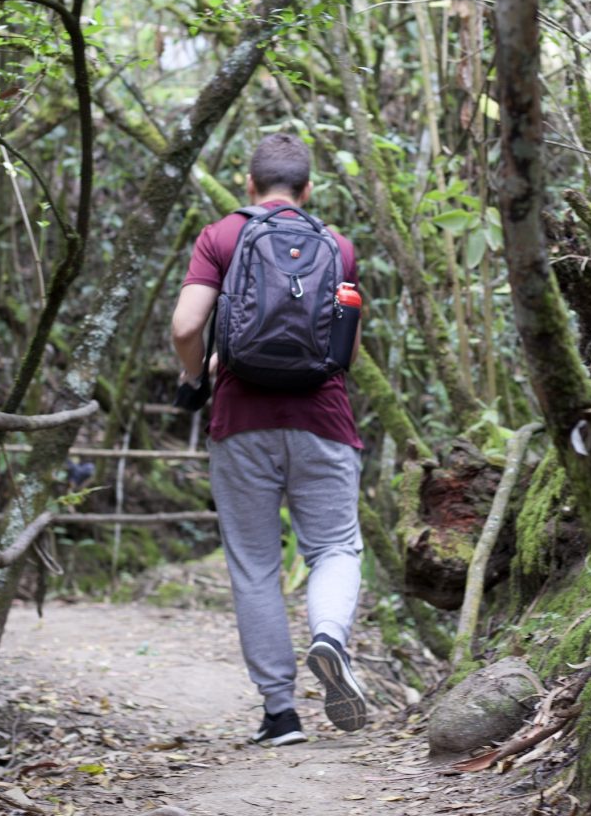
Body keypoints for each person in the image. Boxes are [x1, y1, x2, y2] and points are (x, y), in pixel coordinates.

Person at [171, 132, 366, 746]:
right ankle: (329, 635)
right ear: (308, 190)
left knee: (254, 566)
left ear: (249, 186)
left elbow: (185, 325)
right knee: (334, 547)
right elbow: (348, 351)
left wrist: (193, 374)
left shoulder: (222, 235)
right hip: (324, 421)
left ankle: (280, 714)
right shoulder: (337, 246)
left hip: (241, 420)